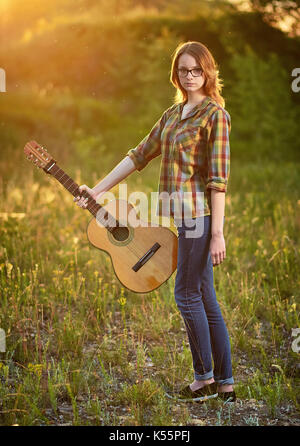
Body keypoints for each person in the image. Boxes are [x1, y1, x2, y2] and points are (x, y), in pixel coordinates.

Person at [74, 41, 236, 403]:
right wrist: (96, 190)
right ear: (175, 74)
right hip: (181, 217)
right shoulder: (171, 115)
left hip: (199, 217)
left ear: (208, 72)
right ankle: (225, 384)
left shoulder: (215, 116)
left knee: (185, 294)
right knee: (205, 296)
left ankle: (203, 380)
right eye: (183, 70)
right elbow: (138, 155)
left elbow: (218, 181)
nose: (190, 76)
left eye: (197, 70)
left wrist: (218, 234)